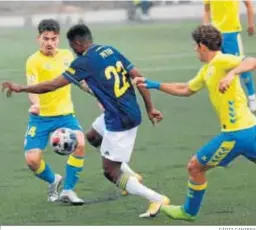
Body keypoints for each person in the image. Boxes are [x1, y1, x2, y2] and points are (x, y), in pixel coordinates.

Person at [2, 24, 169, 217]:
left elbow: (52, 85)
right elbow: (138, 77)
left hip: (120, 120)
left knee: (110, 171)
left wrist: (21, 88)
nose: (73, 51)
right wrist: (150, 108)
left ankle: (155, 198)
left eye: (73, 47)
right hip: (124, 112)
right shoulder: (109, 50)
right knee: (93, 136)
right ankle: (131, 175)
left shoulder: (83, 62)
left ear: (79, 43)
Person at [134, 25, 256, 221]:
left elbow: (251, 61)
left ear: (202, 46)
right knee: (195, 167)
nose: (194, 50)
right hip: (250, 130)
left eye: (194, 46)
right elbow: (186, 89)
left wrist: (231, 74)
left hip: (236, 134)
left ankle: (189, 212)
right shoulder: (207, 69)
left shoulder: (222, 60)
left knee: (194, 167)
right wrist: (154, 84)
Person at [23, 19, 85, 205]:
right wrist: (35, 104)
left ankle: (68, 190)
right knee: (32, 161)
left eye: (54, 39)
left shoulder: (67, 56)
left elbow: (80, 80)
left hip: (65, 115)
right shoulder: (33, 61)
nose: (49, 43)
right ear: (38, 38)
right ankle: (54, 180)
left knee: (80, 144)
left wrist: (100, 98)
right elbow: (32, 87)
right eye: (46, 38)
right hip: (40, 117)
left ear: (58, 39)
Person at [203, 0, 256, 112]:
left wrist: (251, 25)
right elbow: (207, 9)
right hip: (215, 34)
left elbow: (249, 4)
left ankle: (252, 97)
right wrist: (205, 30)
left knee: (240, 63)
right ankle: (228, 98)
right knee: (218, 65)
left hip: (232, 33)